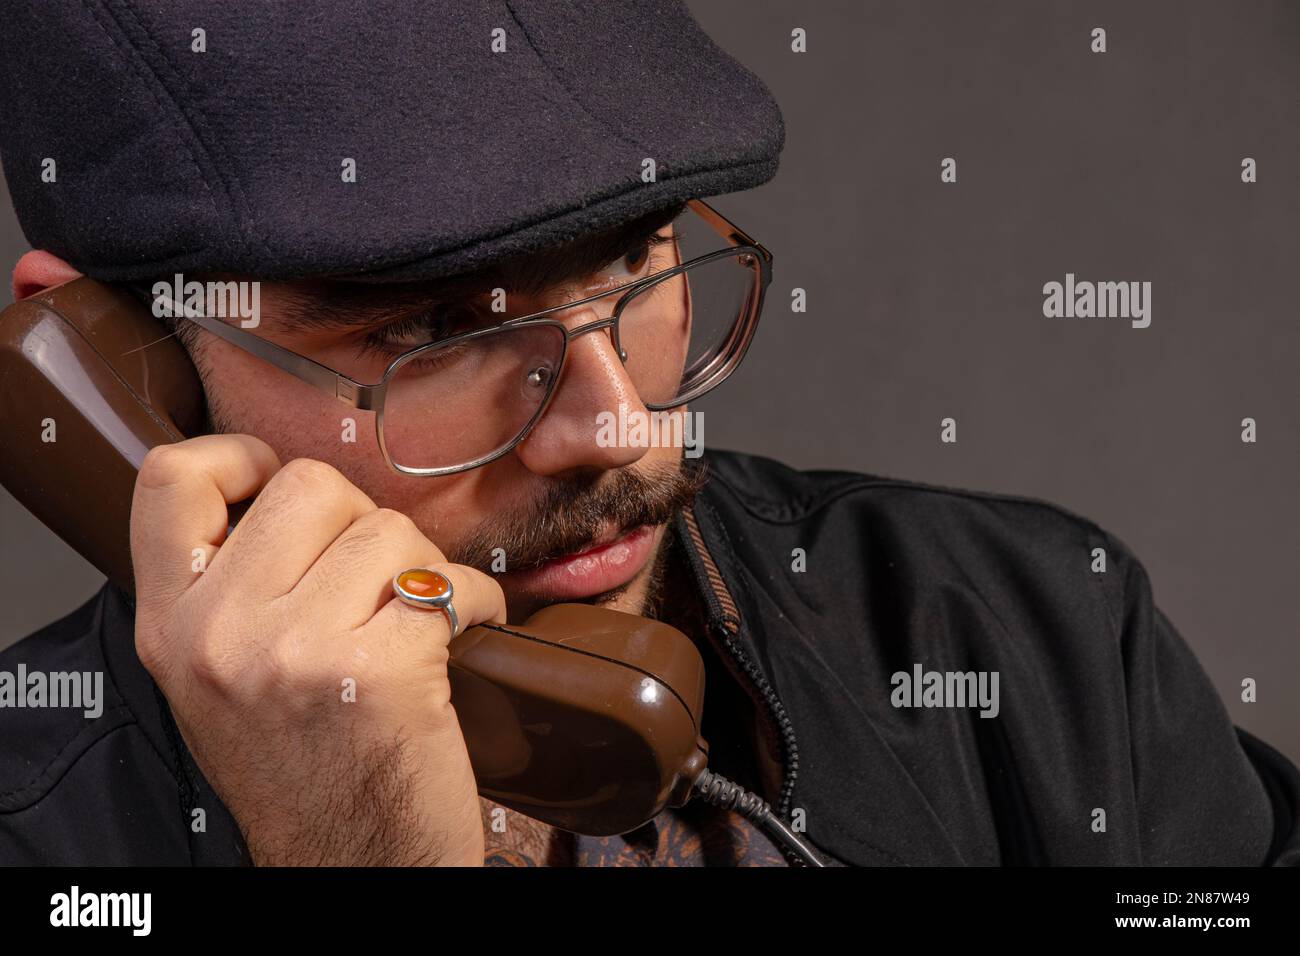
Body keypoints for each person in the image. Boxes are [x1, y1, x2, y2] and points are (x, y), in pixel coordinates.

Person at [1, 2, 1296, 867]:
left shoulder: (1041, 644)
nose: (619, 426)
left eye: (643, 255)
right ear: (115, 361)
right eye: (436, 329)